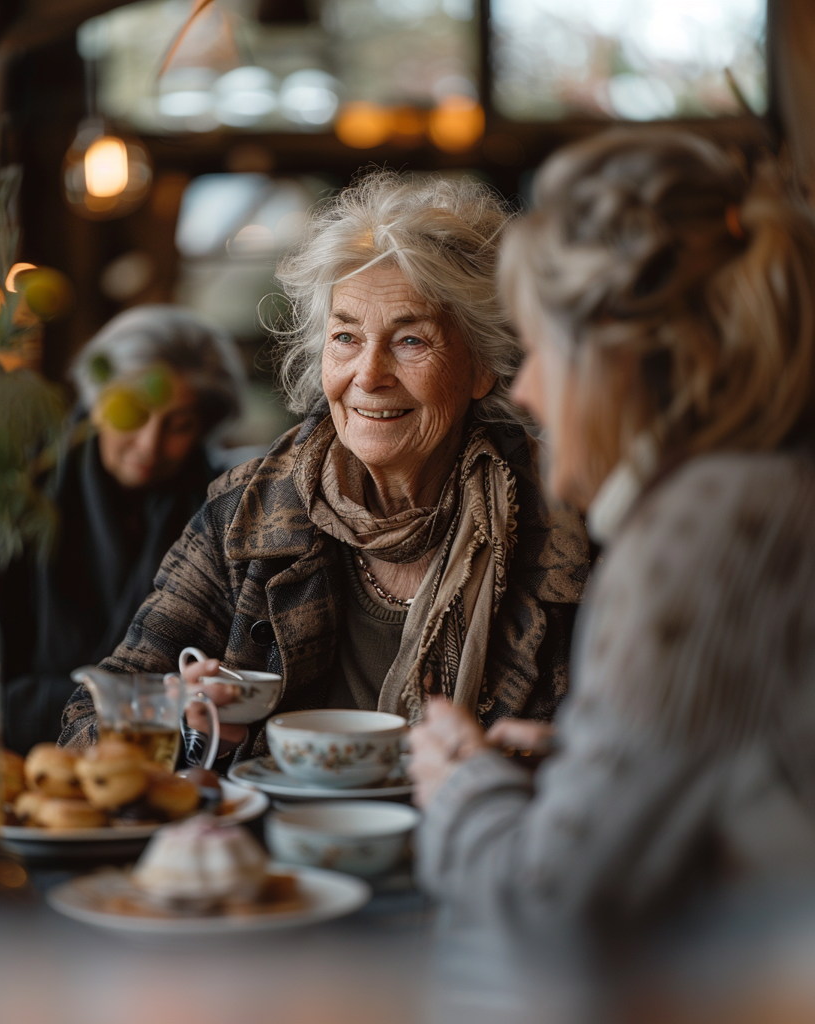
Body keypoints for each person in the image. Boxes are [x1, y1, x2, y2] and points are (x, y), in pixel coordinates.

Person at [410, 129, 815, 1007]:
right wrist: (580, 775)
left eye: (541, 350)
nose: (524, 390)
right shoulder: (767, 492)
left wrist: (461, 789)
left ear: (618, 357)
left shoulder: (711, 531)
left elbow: (556, 917)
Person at [60, 171, 590, 753]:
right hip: (273, 842)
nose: (368, 375)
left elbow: (634, 761)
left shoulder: (562, 529)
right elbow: (89, 720)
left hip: (475, 838)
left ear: (483, 365)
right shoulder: (246, 515)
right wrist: (184, 725)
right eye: (345, 337)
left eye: (411, 340)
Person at [0, 305, 245, 753]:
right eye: (135, 413)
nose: (149, 443)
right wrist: (150, 703)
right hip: (23, 758)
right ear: (96, 400)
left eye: (179, 424)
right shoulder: (19, 494)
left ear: (205, 425)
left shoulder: (226, 513)